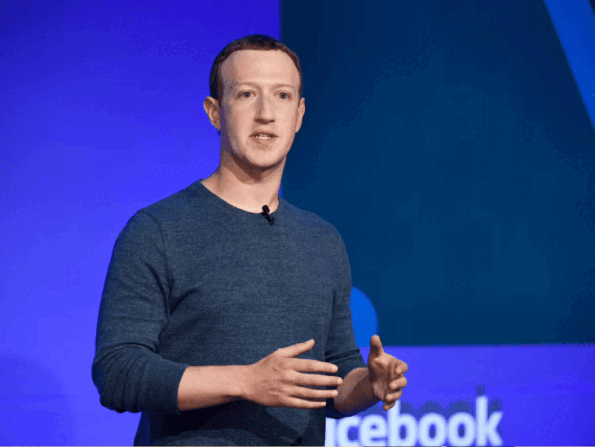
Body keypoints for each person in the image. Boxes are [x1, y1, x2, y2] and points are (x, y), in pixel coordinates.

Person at [92, 34, 407, 446]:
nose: (265, 114)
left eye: (281, 96)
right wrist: (246, 381)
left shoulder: (323, 239)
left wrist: (369, 384)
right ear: (215, 112)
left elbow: (335, 378)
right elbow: (118, 372)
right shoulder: (157, 230)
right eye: (246, 95)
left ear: (299, 114)